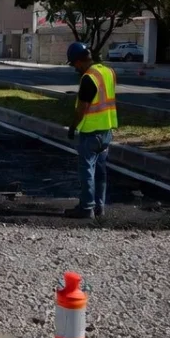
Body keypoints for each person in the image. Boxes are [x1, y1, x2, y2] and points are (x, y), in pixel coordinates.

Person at [65, 42, 118, 219]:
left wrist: (72, 127)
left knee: (87, 170)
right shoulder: (108, 72)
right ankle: (99, 207)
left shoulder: (89, 78)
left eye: (74, 64)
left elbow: (82, 109)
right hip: (107, 131)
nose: (75, 69)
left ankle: (87, 208)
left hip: (91, 133)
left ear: (80, 61)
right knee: (101, 171)